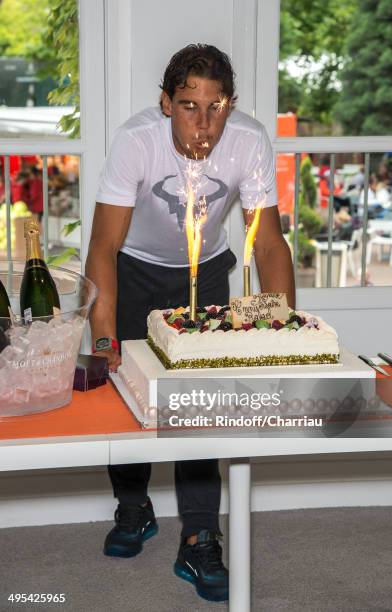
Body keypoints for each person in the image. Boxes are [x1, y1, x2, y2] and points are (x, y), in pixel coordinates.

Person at [85, 43, 295, 603]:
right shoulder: (136, 140)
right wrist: (103, 335)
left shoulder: (248, 140)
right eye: (187, 106)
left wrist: (282, 332)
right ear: (165, 103)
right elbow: (103, 246)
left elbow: (270, 244)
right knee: (125, 398)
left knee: (199, 406)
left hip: (207, 274)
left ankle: (201, 532)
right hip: (134, 272)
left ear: (232, 104)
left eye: (216, 107)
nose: (203, 124)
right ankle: (133, 505)